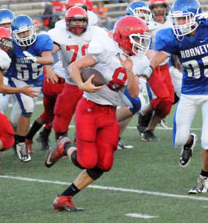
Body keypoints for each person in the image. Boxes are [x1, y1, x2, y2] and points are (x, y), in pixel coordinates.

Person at [143, 0, 208, 194]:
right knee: (179, 140)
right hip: (189, 92)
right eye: (177, 19)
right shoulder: (172, 36)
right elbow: (161, 54)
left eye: (184, 18)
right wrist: (148, 70)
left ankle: (203, 178)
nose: (180, 23)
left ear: (196, 17)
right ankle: (189, 142)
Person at [45, 16, 144, 212]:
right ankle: (65, 146)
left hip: (109, 113)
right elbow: (74, 67)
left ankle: (64, 198)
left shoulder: (139, 60)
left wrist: (130, 72)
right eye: (137, 38)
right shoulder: (105, 48)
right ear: (124, 37)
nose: (141, 43)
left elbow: (133, 93)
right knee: (87, 161)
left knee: (104, 165)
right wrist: (81, 84)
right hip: (89, 108)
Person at [49, 7, 108, 141]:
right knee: (61, 113)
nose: (78, 24)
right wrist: (47, 67)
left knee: (97, 113)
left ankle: (83, 140)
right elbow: (47, 51)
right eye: (74, 21)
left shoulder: (97, 33)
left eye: (81, 21)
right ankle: (61, 142)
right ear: (66, 22)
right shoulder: (60, 35)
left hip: (93, 79)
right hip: (72, 81)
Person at [8, 15, 54, 161]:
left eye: (27, 32)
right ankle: (21, 144)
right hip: (17, 79)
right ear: (14, 34)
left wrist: (36, 59)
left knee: (15, 120)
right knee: (27, 108)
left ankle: (12, 137)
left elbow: (49, 59)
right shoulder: (10, 44)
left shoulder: (43, 40)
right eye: (21, 33)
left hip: (36, 82)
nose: (24, 35)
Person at [0, 27, 37, 173]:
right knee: (7, 137)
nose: (9, 45)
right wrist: (22, 90)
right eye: (5, 42)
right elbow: (0, 88)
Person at [136, 0, 175, 142]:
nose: (159, 10)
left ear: (166, 8)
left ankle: (149, 130)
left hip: (165, 65)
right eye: (156, 7)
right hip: (151, 66)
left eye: (161, 7)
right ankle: (145, 111)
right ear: (151, 10)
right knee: (163, 97)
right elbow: (141, 45)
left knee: (168, 102)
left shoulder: (172, 22)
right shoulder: (147, 24)